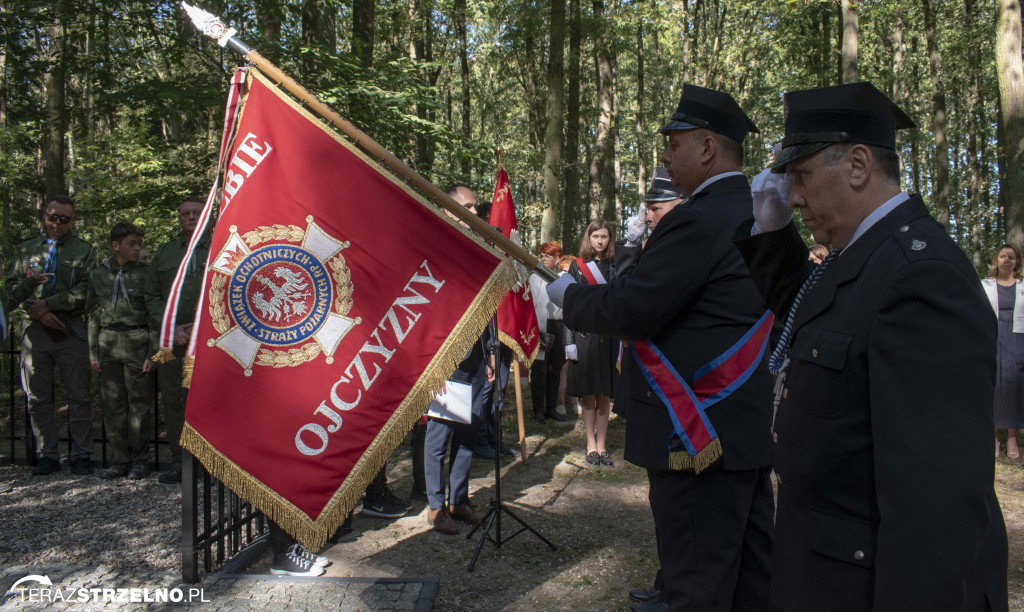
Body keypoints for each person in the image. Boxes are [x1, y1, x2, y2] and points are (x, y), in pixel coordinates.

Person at [734, 81, 1007, 611]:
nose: (792, 197)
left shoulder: (919, 275)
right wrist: (770, 237)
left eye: (802, 176)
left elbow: (935, 509)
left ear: (857, 165)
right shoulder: (864, 257)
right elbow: (817, 318)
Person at [548, 84, 775, 612]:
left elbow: (634, 307)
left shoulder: (698, 218)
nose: (666, 157)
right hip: (741, 428)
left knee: (696, 584)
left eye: (673, 144)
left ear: (707, 148)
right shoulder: (761, 213)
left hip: (696, 434)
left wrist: (569, 295)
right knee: (747, 577)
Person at [6, 195, 97, 476]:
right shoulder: (26, 249)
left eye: (64, 219)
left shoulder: (85, 251)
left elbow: (87, 291)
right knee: (37, 396)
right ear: (45, 216)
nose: (57, 223)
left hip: (69, 330)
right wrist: (36, 310)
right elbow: (10, 289)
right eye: (52, 216)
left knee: (78, 395)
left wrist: (50, 305)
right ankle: (47, 454)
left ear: (72, 221)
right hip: (35, 334)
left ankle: (81, 454)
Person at [422, 184, 492, 534]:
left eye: (477, 207)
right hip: (447, 357)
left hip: (477, 354)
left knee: (469, 430)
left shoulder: (476, 246)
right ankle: (435, 506)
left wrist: (490, 351)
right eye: (468, 207)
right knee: (439, 434)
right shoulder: (435, 246)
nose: (475, 214)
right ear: (449, 209)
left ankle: (459, 499)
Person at [86, 222, 156, 479]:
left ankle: (140, 460)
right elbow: (93, 315)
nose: (138, 249)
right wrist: (93, 352)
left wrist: (152, 352)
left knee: (139, 404)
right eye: (132, 244)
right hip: (108, 342)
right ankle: (119, 460)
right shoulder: (98, 275)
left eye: (140, 243)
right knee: (112, 403)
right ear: (116, 246)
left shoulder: (147, 274)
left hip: (137, 339)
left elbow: (155, 315)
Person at [145, 198, 208, 484]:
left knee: (210, 400)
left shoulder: (222, 245)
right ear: (179, 218)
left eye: (197, 213)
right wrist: (172, 328)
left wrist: (201, 328)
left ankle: (211, 465)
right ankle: (178, 462)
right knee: (172, 400)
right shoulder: (165, 253)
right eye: (186, 214)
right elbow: (152, 295)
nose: (191, 218)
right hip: (173, 341)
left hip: (209, 341)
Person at [564, 219, 617, 467]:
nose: (599, 241)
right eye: (595, 236)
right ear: (589, 238)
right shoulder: (577, 266)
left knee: (605, 394)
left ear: (609, 239)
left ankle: (603, 445)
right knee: (588, 394)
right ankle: (590, 445)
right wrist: (568, 341)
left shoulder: (615, 265)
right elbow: (568, 304)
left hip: (609, 337)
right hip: (584, 337)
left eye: (604, 237)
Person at [982, 244, 1024, 460]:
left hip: (1018, 338)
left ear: (1017, 262)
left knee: (1014, 385)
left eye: (1012, 257)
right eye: (1003, 256)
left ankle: (1012, 438)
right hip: (992, 337)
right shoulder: (984, 285)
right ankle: (994, 437)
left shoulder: (1023, 285)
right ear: (996, 260)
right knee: (994, 384)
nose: (1007, 260)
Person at [528, 241, 568, 424]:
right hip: (541, 326)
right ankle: (538, 409)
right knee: (539, 369)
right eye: (541, 256)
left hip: (559, 326)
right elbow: (532, 304)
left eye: (548, 256)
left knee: (555, 369)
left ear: (557, 258)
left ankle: (551, 407)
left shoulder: (564, 277)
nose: (543, 259)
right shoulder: (536, 277)